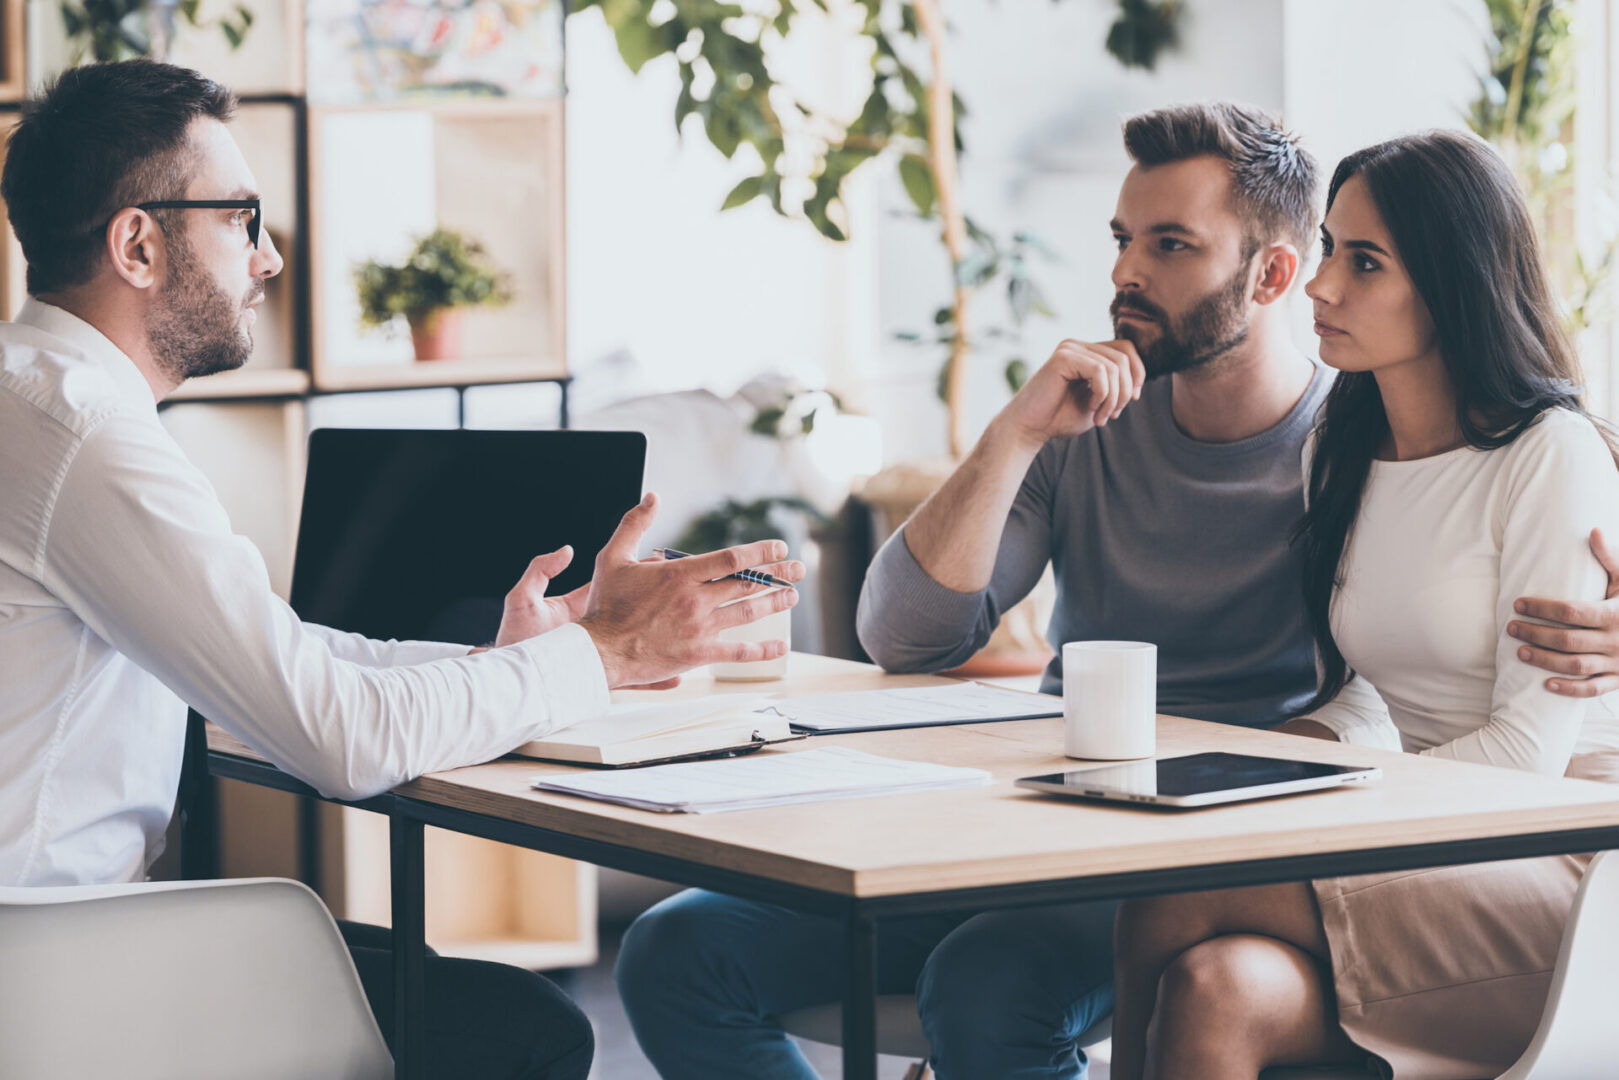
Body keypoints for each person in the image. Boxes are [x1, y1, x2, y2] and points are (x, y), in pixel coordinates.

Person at [0, 60, 803, 1079]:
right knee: (528, 1031)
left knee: (418, 977)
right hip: (51, 977)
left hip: (45, 945)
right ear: (139, 243)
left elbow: (281, 657)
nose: (269, 258)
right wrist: (606, 653)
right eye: (242, 219)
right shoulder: (90, 443)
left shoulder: (34, 403)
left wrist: (504, 659)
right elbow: (340, 739)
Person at [617, 101, 1346, 1080]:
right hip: (1032, 826)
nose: (1127, 272)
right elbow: (902, 639)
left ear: (1271, 275)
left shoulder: (1351, 448)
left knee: (989, 982)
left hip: (1210, 860)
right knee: (677, 952)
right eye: (1123, 239)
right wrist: (1014, 433)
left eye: (1170, 245)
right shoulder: (1084, 422)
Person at [1110, 130, 1619, 1080]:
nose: (1320, 285)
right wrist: (1287, 755)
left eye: (1364, 261)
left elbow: (1527, 755)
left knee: (1170, 895)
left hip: (1567, 866)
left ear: (1455, 281)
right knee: (1216, 987)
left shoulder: (1551, 454)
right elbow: (1379, 692)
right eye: (1330, 248)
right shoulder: (1338, 453)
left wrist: (1318, 805)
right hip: (1423, 844)